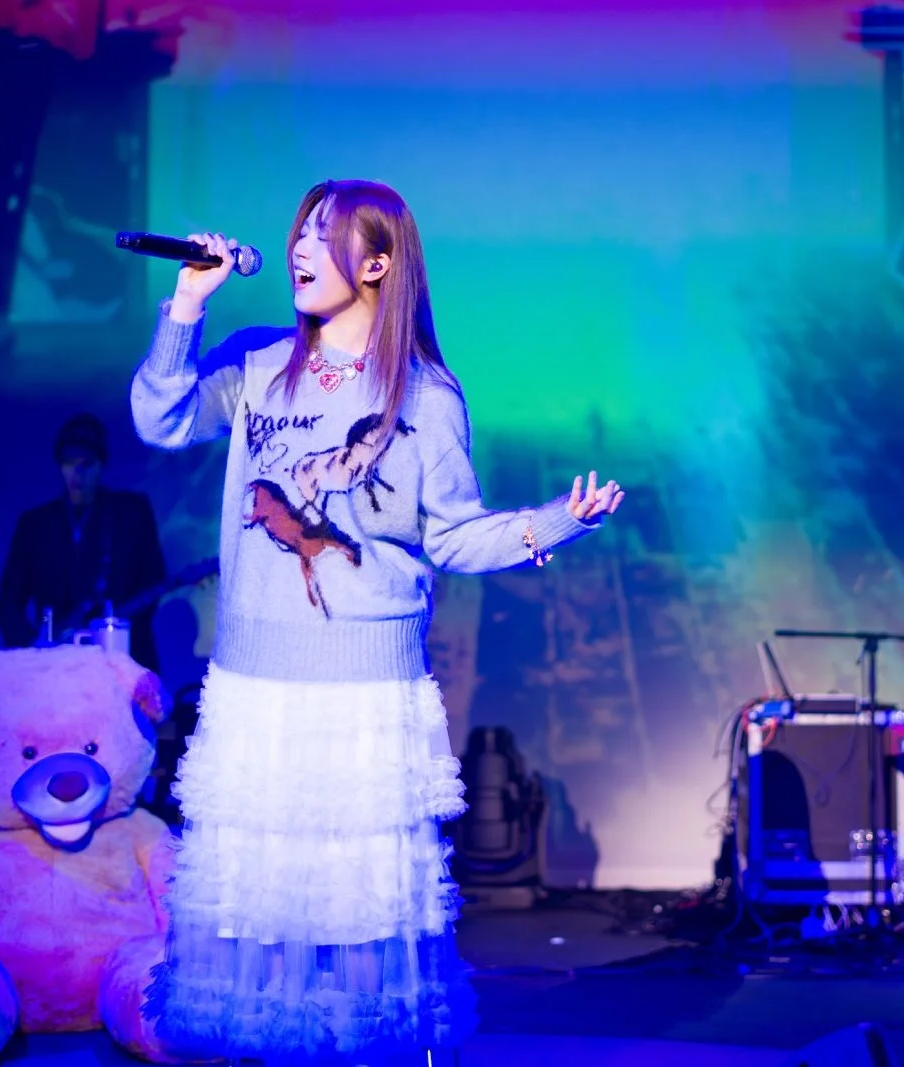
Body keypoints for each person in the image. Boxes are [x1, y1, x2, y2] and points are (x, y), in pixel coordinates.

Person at [131, 180, 623, 1064]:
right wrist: (187, 305)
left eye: (323, 235)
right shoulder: (255, 361)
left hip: (362, 695)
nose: (299, 249)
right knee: (261, 915)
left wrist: (556, 522)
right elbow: (158, 419)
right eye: (298, 232)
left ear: (377, 263)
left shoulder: (424, 394)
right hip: (255, 693)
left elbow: (453, 534)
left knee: (356, 922)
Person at [0, 414, 168, 670]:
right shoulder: (34, 524)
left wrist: (109, 629)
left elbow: (153, 580)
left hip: (122, 665)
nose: (77, 473)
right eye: (68, 463)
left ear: (101, 465)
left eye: (86, 463)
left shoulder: (131, 513)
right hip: (55, 668)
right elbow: (7, 603)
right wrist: (33, 647)